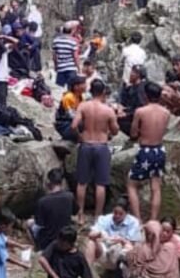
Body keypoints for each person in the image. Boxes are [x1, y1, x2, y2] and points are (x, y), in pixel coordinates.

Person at [71, 80, 119, 223]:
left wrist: (80, 137)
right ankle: (98, 217)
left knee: (82, 183)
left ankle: (80, 215)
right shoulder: (108, 110)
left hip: (86, 144)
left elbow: (73, 126)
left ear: (90, 90)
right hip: (101, 145)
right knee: (100, 184)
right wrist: (108, 132)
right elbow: (116, 130)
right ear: (103, 92)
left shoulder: (83, 106)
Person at [127, 81, 171, 221]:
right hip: (159, 149)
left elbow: (133, 133)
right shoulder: (166, 112)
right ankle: (153, 219)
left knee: (131, 184)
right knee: (156, 186)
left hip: (145, 150)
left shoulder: (140, 111)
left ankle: (138, 220)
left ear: (146, 95)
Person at [113, 220, 180, 278]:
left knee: (121, 262)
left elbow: (129, 260)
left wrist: (127, 248)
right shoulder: (171, 247)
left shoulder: (142, 249)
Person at [83, 198, 143, 272]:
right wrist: (99, 234)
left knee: (126, 247)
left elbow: (133, 245)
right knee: (91, 243)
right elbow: (90, 235)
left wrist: (122, 240)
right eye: (115, 213)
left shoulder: (133, 222)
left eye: (120, 214)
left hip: (121, 252)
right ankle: (86, 272)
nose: (117, 216)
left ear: (126, 213)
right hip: (104, 250)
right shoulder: (105, 219)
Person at [28, 168, 74, 250]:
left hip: (48, 240)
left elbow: (39, 224)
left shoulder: (42, 201)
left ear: (49, 183)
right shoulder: (70, 196)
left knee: (29, 223)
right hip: (66, 237)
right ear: (62, 182)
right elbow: (75, 212)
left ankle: (37, 247)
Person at [117, 64, 147, 136]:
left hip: (136, 119)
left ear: (138, 75)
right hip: (130, 112)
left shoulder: (140, 89)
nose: (130, 75)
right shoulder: (132, 87)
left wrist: (126, 114)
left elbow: (140, 108)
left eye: (132, 73)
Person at [54, 76, 86, 142]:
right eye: (83, 84)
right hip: (64, 126)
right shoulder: (68, 97)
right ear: (75, 87)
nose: (85, 86)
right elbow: (71, 116)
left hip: (72, 124)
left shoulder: (80, 97)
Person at [52, 22, 80, 88]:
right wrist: (78, 68)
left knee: (59, 88)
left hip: (61, 68)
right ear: (71, 31)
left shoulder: (56, 41)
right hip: (71, 68)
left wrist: (56, 66)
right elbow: (75, 56)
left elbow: (54, 56)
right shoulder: (73, 42)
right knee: (71, 88)